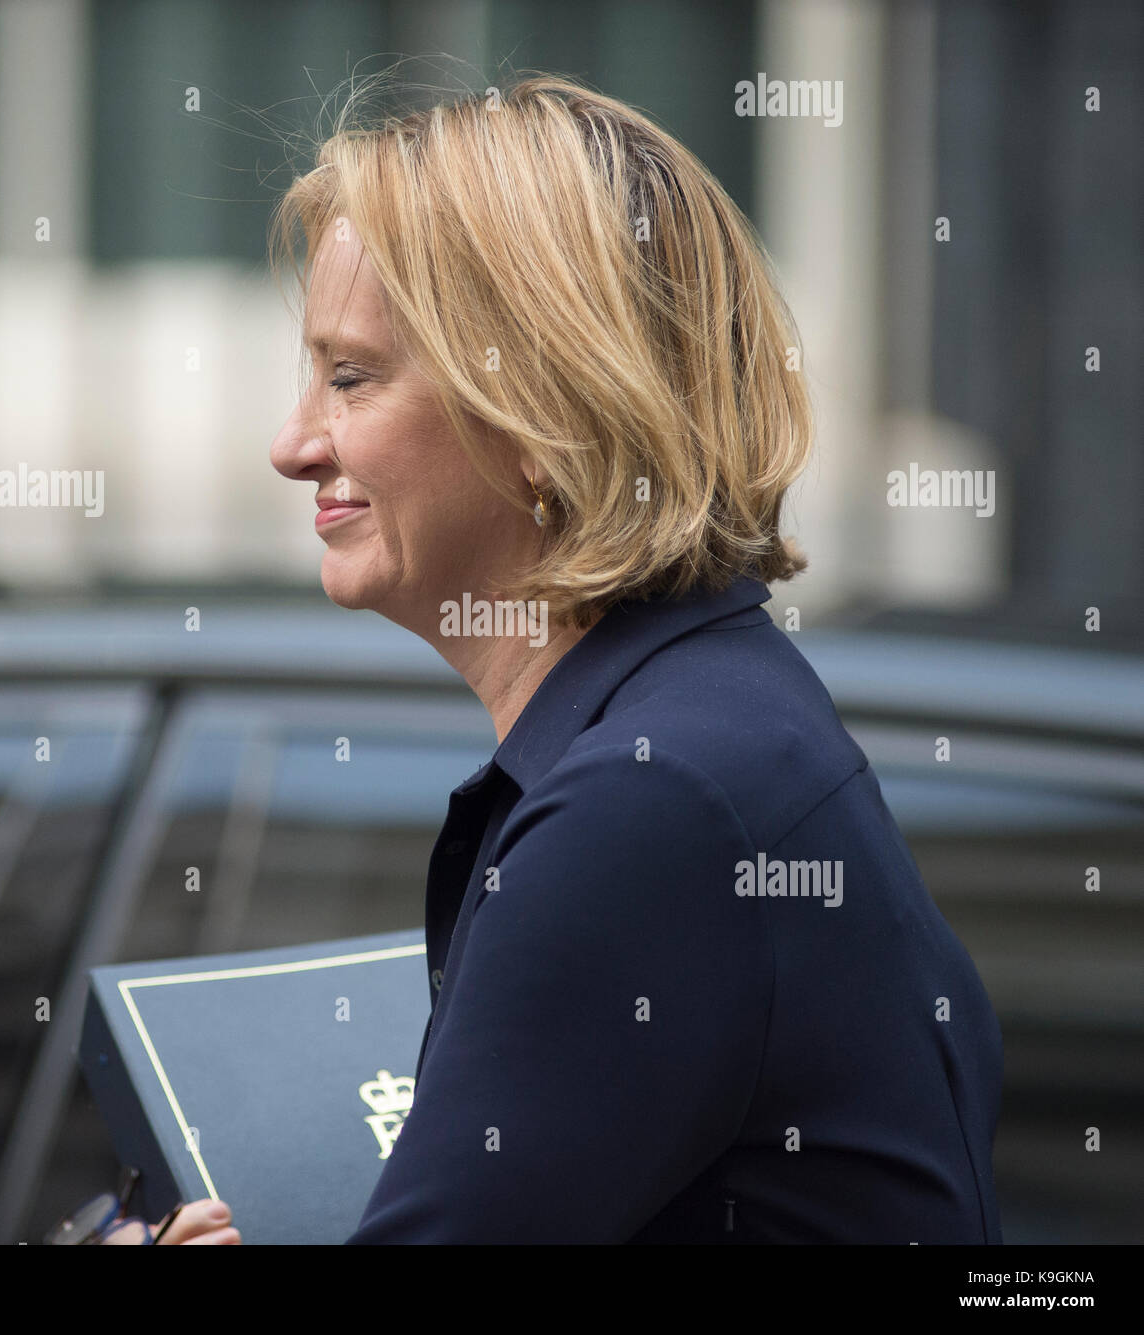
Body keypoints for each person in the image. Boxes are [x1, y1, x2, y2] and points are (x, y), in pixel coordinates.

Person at [110, 71, 1003, 1244]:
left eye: (351, 376)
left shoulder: (653, 799)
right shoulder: (712, 728)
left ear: (538, 417)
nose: (293, 444)